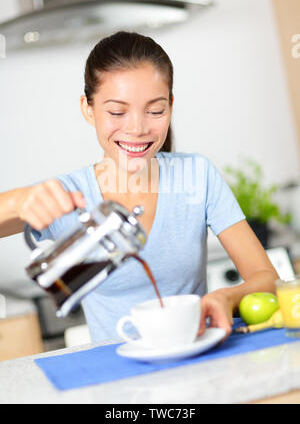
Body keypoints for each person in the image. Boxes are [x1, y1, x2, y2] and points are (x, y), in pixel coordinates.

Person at [0, 31, 279, 343]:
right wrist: (16, 202)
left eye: (156, 110)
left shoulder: (197, 175)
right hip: (115, 379)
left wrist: (228, 297)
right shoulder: (65, 195)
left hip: (196, 359)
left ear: (171, 106)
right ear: (88, 109)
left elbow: (265, 277)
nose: (137, 128)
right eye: (117, 112)